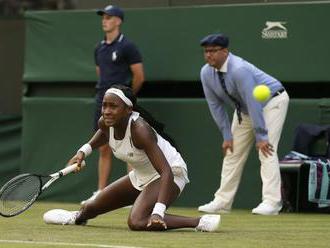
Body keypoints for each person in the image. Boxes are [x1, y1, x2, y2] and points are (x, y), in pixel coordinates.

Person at [43, 85, 221, 232]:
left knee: (136, 221)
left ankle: (199, 222)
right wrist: (83, 152)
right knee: (89, 208)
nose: (107, 111)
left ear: (128, 109)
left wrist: (158, 211)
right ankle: (76, 218)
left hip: (170, 174)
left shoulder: (140, 130)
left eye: (113, 106)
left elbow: (165, 171)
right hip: (142, 176)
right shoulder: (105, 122)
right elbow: (103, 135)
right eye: (104, 105)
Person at [198, 34, 289, 215]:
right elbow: (215, 106)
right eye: (206, 51)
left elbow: (253, 100)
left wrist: (261, 136)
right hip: (245, 110)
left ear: (225, 51)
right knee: (232, 152)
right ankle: (222, 202)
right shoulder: (206, 73)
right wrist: (226, 135)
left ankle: (272, 203)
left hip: (272, 102)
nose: (209, 55)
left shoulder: (239, 69)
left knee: (266, 150)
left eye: (213, 51)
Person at [81, 5, 145, 205]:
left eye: (109, 17)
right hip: (102, 99)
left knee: (129, 147)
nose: (104, 21)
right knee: (103, 147)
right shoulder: (98, 48)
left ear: (118, 21)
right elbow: (101, 74)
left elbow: (139, 76)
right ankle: (100, 191)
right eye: (103, 17)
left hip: (122, 104)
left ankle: (134, 193)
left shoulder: (128, 46)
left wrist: (126, 100)